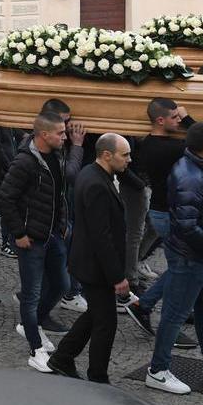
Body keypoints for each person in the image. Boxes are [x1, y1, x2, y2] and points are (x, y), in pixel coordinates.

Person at [145, 122, 203, 395]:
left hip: (196, 254)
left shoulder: (193, 166)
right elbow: (187, 225)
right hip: (190, 255)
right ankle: (157, 370)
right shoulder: (190, 177)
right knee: (174, 314)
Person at [46, 133, 133, 383]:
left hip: (89, 262)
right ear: (107, 155)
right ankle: (97, 376)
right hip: (96, 266)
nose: (129, 159)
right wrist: (118, 277)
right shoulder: (96, 184)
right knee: (106, 323)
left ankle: (63, 357)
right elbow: (101, 237)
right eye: (124, 155)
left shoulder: (91, 173)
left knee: (95, 314)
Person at [0, 112, 72, 371]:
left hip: (52, 235)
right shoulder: (24, 162)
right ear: (44, 134)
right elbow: (5, 198)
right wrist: (19, 234)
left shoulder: (56, 156)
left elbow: (59, 194)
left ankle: (32, 325)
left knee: (61, 284)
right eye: (61, 133)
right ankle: (35, 349)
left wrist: (62, 226)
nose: (65, 137)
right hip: (31, 239)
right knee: (30, 295)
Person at [124, 98, 197, 342]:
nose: (179, 119)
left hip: (164, 210)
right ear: (160, 120)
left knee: (184, 265)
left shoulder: (151, 144)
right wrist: (188, 120)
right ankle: (150, 308)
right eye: (175, 117)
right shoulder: (169, 148)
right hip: (168, 213)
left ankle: (155, 307)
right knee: (180, 268)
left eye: (180, 117)